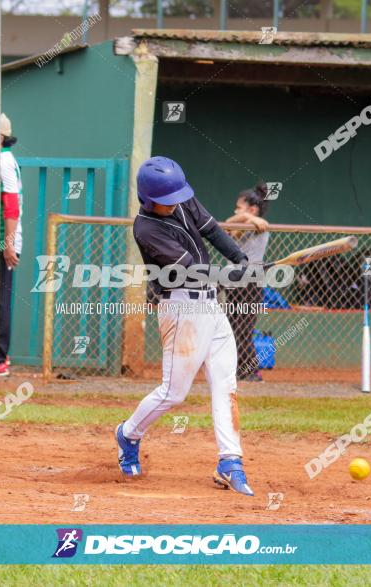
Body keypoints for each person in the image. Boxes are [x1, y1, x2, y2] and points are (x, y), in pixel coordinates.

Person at [115, 156, 255, 496]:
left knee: (226, 385)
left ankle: (230, 461)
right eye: (168, 202)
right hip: (182, 310)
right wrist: (230, 276)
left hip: (210, 306)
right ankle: (129, 433)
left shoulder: (177, 193)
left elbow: (210, 230)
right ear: (149, 201)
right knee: (173, 393)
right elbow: (191, 268)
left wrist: (240, 258)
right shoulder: (146, 229)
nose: (176, 204)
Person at [224, 182, 271, 382]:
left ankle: (249, 370)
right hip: (233, 281)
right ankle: (236, 369)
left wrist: (250, 217)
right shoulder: (238, 227)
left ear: (253, 209)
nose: (236, 211)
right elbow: (228, 224)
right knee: (231, 327)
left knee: (243, 328)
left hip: (251, 282)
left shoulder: (260, 226)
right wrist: (246, 215)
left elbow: (244, 221)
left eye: (240, 207)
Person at [0, 113, 22, 376]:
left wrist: (9, 244)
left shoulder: (3, 160)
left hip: (3, 242)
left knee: (0, 300)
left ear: (0, 135)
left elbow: (12, 205)